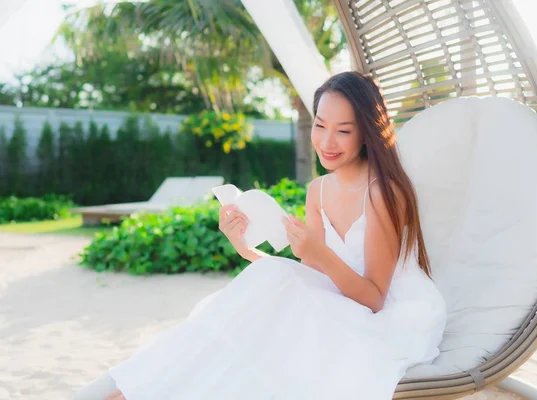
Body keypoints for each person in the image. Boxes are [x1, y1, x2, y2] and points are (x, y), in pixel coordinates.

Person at [73, 71, 447, 400]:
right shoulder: (317, 190)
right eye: (319, 125)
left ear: (367, 132)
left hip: (388, 315)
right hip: (335, 300)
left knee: (265, 316)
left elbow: (375, 299)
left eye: (344, 131)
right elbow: (308, 278)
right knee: (266, 287)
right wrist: (247, 249)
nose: (327, 142)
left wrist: (319, 253)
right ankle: (152, 386)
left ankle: (148, 391)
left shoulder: (382, 192)